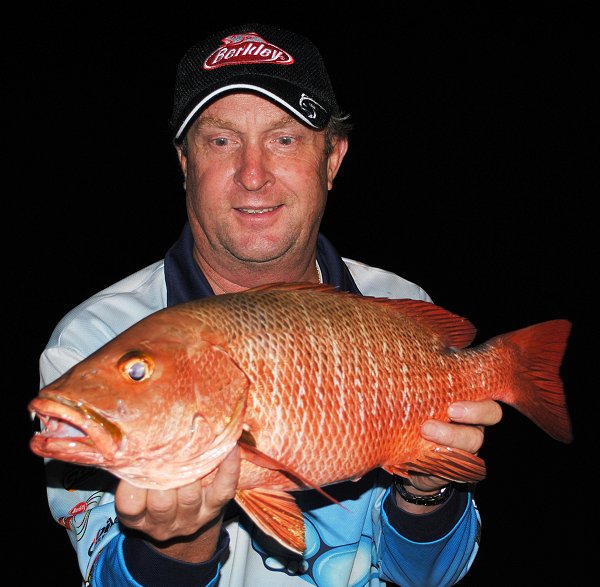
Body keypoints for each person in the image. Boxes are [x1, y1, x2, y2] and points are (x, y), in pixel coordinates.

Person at [37, 23, 502, 587]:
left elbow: (428, 579)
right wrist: (180, 546)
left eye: (284, 139)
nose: (252, 175)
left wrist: (427, 492)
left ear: (332, 160)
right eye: (220, 140)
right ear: (185, 164)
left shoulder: (398, 311)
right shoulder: (89, 341)